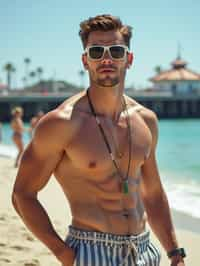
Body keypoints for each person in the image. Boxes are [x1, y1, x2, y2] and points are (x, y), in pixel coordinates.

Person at [12, 15, 186, 266]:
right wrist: (63, 253)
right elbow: (22, 194)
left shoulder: (146, 121)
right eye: (96, 51)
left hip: (145, 251)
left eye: (116, 51)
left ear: (129, 59)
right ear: (85, 60)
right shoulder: (60, 123)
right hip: (91, 251)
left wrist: (174, 252)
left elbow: (154, 194)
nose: (106, 59)